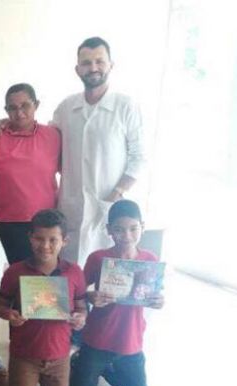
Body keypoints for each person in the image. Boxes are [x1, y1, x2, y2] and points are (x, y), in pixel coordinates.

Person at [53, 36, 146, 265]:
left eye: (99, 61)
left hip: (108, 206)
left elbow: (139, 158)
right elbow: (46, 143)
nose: (93, 68)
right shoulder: (66, 108)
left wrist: (117, 193)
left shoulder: (126, 106)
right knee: (70, 273)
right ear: (77, 69)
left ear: (110, 65)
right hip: (72, 205)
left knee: (106, 273)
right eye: (86, 62)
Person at [69, 200, 164, 386]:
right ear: (109, 230)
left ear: (142, 227)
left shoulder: (150, 260)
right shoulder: (98, 258)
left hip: (131, 340)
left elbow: (155, 293)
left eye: (133, 229)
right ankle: (81, 361)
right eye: (119, 230)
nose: (127, 236)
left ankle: (106, 370)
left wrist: (159, 300)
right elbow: (79, 294)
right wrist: (90, 296)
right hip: (97, 338)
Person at [0, 209, 87, 386]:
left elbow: (82, 306)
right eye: (39, 238)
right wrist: (9, 314)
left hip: (59, 356)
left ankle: (30, 384)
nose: (45, 246)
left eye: (53, 240)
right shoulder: (15, 271)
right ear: (30, 238)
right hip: (25, 354)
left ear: (65, 241)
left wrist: (81, 318)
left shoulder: (74, 272)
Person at [0, 83, 60, 264]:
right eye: (13, 108)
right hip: (10, 221)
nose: (19, 113)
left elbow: (71, 171)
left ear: (36, 104)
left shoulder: (53, 136)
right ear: (6, 110)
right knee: (20, 272)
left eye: (25, 105)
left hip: (47, 220)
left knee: (47, 275)